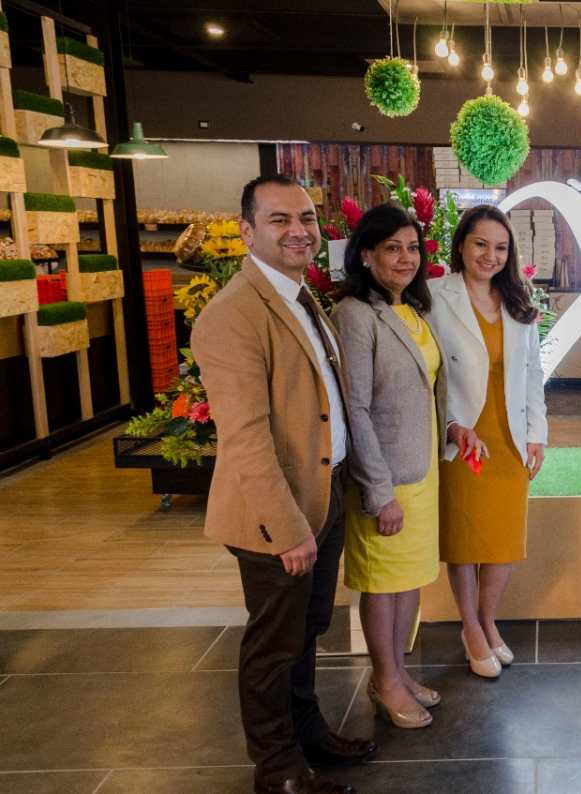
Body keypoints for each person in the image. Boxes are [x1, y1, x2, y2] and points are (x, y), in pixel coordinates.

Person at [192, 175, 375, 794]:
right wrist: (288, 528)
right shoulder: (233, 315)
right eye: (279, 220)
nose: (299, 230)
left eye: (306, 217)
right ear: (247, 231)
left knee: (307, 629)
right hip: (279, 516)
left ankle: (308, 731)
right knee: (274, 644)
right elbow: (245, 436)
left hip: (323, 496)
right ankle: (277, 769)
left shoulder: (300, 296)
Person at [331, 205, 446, 730]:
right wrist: (379, 492)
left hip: (421, 473)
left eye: (412, 247)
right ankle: (385, 681)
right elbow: (354, 407)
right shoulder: (355, 314)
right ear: (365, 255)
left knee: (408, 580)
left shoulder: (412, 310)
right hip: (385, 479)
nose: (406, 258)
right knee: (382, 583)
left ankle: (397, 672)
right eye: (392, 248)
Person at [426, 204, 547, 679]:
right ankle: (471, 629)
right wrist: (453, 423)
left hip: (509, 437)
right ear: (461, 245)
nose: (489, 256)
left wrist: (536, 434)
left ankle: (487, 620)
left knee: (501, 540)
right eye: (480, 244)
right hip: (463, 437)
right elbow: (429, 373)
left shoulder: (518, 301)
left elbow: (533, 372)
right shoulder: (434, 295)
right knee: (464, 540)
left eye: (500, 247)